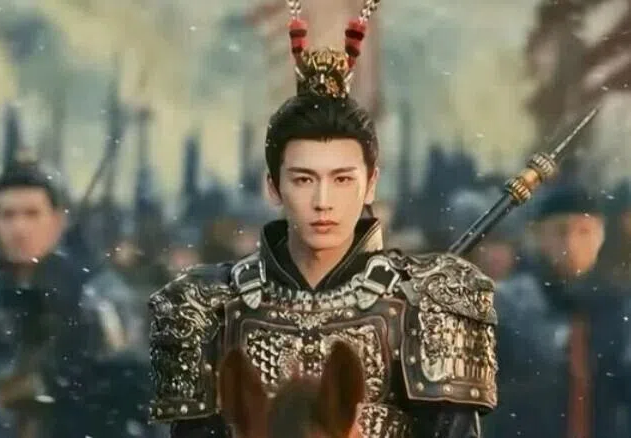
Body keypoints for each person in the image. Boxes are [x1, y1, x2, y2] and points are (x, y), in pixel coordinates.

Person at [148, 2, 498, 437]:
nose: (323, 201)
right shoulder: (210, 307)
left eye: (342, 178)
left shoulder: (429, 303)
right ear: (274, 186)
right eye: (303, 179)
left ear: (370, 184)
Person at [0, 158, 153, 437]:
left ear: (57, 221)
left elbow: (132, 394)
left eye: (32, 214)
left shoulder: (98, 296)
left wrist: (56, 383)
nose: (19, 228)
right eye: (8, 215)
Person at [490, 184, 631, 438]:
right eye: (560, 231)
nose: (571, 243)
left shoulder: (619, 306)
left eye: (584, 231)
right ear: (538, 236)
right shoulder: (509, 305)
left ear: (600, 235)